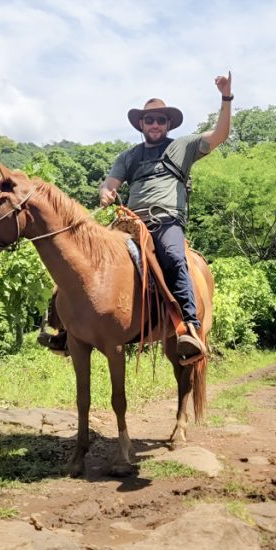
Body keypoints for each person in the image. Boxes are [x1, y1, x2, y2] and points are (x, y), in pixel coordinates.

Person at [99, 73, 233, 359]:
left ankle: (190, 328)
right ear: (141, 125)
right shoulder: (129, 156)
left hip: (165, 221)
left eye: (160, 120)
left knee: (173, 256)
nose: (155, 124)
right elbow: (111, 183)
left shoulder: (182, 147)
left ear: (168, 124)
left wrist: (226, 97)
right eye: (150, 120)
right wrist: (106, 193)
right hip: (128, 223)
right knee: (90, 253)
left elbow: (220, 135)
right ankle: (66, 328)